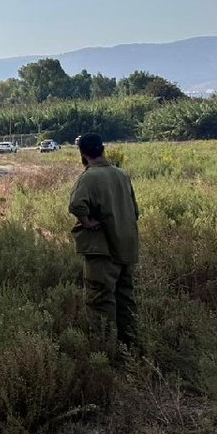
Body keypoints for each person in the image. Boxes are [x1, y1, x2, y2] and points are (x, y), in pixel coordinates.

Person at [68, 133, 139, 350]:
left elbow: (76, 205)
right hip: (126, 248)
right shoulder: (122, 175)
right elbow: (135, 211)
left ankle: (105, 351)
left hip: (102, 250)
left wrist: (87, 223)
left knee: (100, 301)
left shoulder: (89, 177)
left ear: (83, 153)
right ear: (103, 149)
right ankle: (129, 347)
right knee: (125, 300)